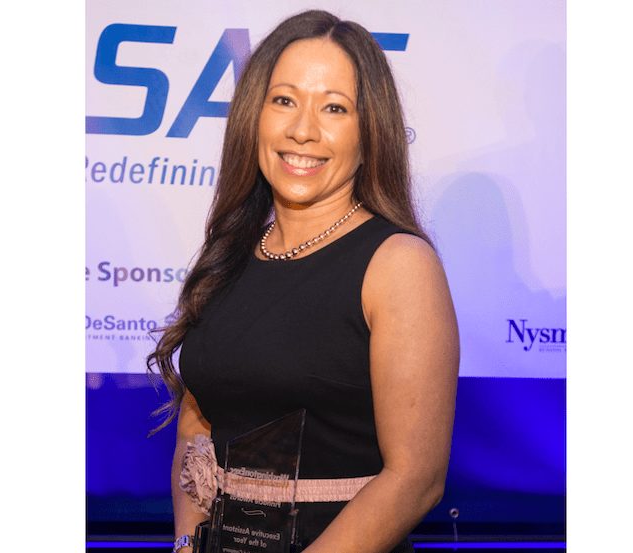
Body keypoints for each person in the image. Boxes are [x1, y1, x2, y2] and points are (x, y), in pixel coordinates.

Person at [148, 9, 459, 553]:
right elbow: (197, 430)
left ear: (370, 130)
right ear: (254, 115)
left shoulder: (398, 264)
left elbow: (415, 479)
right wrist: (186, 545)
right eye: (284, 100)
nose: (303, 130)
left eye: (334, 107)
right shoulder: (229, 252)